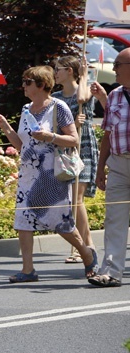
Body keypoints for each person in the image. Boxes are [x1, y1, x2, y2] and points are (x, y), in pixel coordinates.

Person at [0, 65, 98, 283]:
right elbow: (22, 145)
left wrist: (49, 137)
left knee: (60, 222)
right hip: (28, 175)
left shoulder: (58, 107)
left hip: (52, 174)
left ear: (41, 85)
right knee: (23, 220)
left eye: (27, 82)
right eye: (23, 81)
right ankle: (28, 269)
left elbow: (74, 139)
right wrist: (5, 127)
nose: (23, 85)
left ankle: (86, 253)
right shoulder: (25, 109)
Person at [52, 56, 99, 264]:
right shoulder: (55, 97)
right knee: (71, 200)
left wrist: (84, 73)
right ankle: (84, 245)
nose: (55, 73)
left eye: (59, 69)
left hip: (85, 147)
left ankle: (87, 246)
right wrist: (73, 126)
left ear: (70, 71)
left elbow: (82, 99)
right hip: (66, 150)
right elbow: (54, 125)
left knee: (76, 198)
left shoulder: (86, 88)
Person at [89, 48, 130, 288]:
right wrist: (100, 168)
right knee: (114, 219)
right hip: (119, 164)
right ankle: (111, 272)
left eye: (117, 64)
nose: (113, 68)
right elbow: (107, 133)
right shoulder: (114, 95)